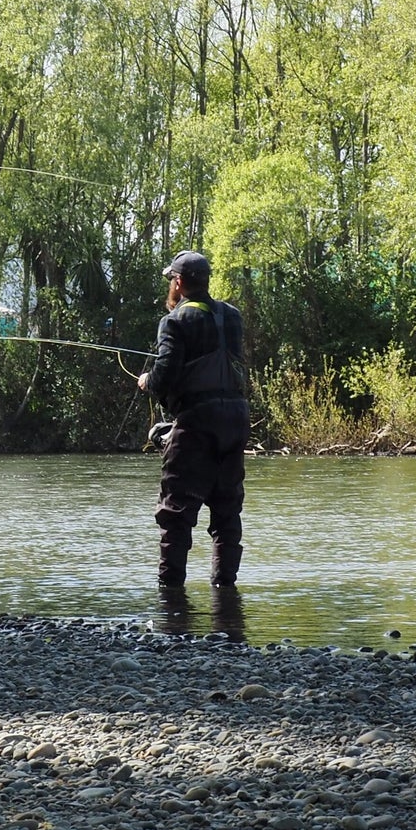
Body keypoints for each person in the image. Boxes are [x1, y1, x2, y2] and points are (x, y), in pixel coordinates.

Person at [137, 250, 249, 588]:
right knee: (227, 509)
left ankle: (171, 597)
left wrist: (148, 381)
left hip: (198, 421)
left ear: (180, 282)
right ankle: (225, 595)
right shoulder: (232, 317)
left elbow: (166, 374)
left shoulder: (174, 322)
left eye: (173, 279)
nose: (172, 284)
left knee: (176, 512)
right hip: (236, 418)